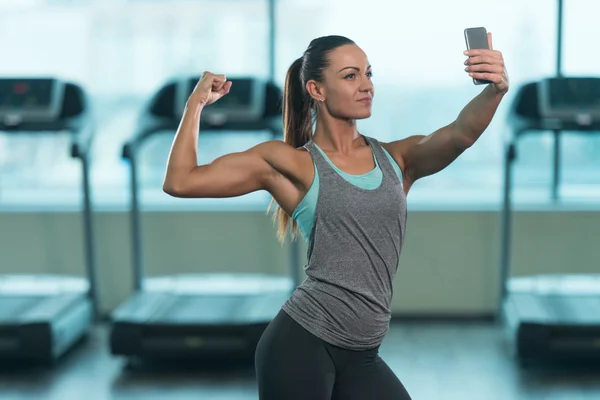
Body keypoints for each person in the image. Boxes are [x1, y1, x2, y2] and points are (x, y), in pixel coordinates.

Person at [163, 34, 509, 400]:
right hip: (300, 346)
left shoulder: (398, 159)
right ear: (316, 89)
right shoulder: (290, 163)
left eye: (368, 73)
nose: (367, 85)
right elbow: (180, 181)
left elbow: (461, 133)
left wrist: (496, 90)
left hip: (362, 354)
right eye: (350, 76)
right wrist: (196, 104)